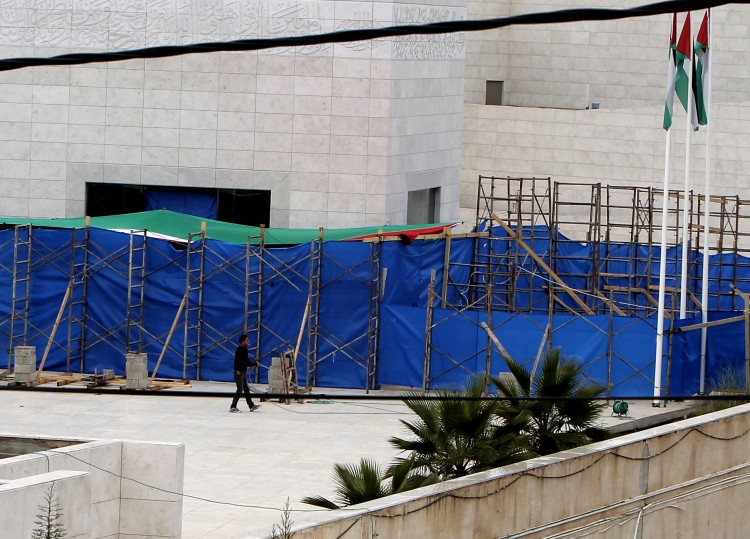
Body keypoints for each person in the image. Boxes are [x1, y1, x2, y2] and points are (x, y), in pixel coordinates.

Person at [230, 334, 261, 413]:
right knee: (240, 390)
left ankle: (251, 405)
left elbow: (246, 361)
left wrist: (251, 365)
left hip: (242, 373)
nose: (248, 341)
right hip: (238, 373)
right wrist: (255, 364)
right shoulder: (242, 349)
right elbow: (246, 362)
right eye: (247, 340)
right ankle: (233, 407)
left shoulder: (243, 349)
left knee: (246, 389)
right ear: (243, 341)